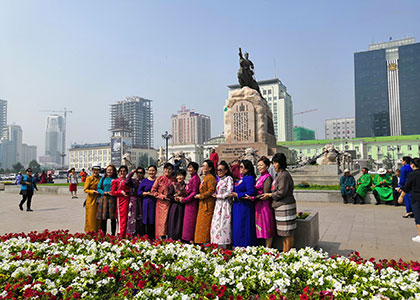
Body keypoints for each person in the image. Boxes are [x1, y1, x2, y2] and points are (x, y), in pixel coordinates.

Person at [261, 153, 296, 253]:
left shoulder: (284, 175)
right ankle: (286, 253)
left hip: (285, 206)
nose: (274, 165)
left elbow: (281, 192)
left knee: (288, 232)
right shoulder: (279, 175)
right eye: (273, 163)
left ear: (280, 163)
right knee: (284, 233)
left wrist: (270, 195)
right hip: (280, 207)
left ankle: (288, 254)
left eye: (275, 163)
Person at [231, 159, 257, 247]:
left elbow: (251, 192)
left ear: (247, 168)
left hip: (244, 206)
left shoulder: (249, 178)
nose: (240, 169)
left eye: (242, 167)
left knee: (244, 227)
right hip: (237, 206)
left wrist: (237, 194)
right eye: (239, 167)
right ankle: (237, 246)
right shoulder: (242, 178)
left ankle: (246, 247)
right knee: (237, 227)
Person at [252, 156, 275, 248]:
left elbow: (265, 194)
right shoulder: (260, 177)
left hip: (265, 206)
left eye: (261, 165)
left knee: (266, 225)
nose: (259, 167)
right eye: (258, 165)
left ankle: (268, 248)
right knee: (260, 226)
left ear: (267, 166)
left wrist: (253, 198)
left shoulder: (267, 177)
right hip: (258, 205)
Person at [210, 161, 234, 248]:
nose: (219, 171)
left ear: (226, 170)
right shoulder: (220, 180)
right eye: (218, 170)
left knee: (225, 225)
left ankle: (227, 246)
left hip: (225, 204)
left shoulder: (228, 179)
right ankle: (217, 246)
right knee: (216, 225)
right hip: (218, 204)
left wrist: (218, 196)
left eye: (221, 170)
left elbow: (229, 192)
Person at [194, 160, 217, 244]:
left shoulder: (211, 178)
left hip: (207, 204)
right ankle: (200, 242)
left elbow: (211, 190)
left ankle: (205, 243)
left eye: (204, 166)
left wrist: (201, 196)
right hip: (203, 204)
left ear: (210, 168)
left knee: (205, 225)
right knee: (201, 224)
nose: (203, 167)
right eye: (202, 165)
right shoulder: (205, 177)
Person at [398, 158, 420, 243]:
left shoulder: (412, 174)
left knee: (418, 217)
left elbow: (407, 187)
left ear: (413, 165)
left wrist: (401, 196)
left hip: (416, 198)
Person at [151, 163, 175, 239]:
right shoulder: (159, 179)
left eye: (170, 169)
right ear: (164, 170)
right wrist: (162, 196)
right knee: (162, 223)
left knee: (170, 222)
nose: (168, 170)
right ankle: (162, 240)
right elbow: (153, 191)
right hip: (161, 204)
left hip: (172, 204)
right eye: (166, 169)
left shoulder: (174, 179)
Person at [179, 162, 200, 243]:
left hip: (191, 204)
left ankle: (189, 240)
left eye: (191, 167)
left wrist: (184, 199)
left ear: (195, 169)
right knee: (187, 223)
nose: (189, 169)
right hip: (188, 203)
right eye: (188, 167)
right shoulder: (192, 178)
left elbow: (194, 192)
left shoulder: (195, 179)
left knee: (189, 223)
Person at [97, 164, 118, 235]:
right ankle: (104, 234)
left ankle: (113, 234)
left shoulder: (116, 179)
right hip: (104, 199)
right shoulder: (103, 179)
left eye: (111, 170)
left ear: (114, 171)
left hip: (113, 199)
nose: (109, 171)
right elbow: (98, 188)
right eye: (108, 169)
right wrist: (103, 192)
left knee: (113, 219)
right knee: (104, 219)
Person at [138, 165, 158, 239]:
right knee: (146, 219)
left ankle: (153, 237)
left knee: (153, 220)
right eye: (150, 170)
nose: (151, 172)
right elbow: (139, 192)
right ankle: (145, 237)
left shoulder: (158, 180)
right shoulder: (144, 181)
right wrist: (146, 193)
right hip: (146, 202)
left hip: (155, 202)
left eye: (153, 170)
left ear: (156, 172)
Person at [111, 165, 130, 238]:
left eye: (124, 171)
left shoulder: (129, 180)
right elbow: (112, 192)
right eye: (121, 171)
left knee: (129, 218)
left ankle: (128, 234)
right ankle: (121, 235)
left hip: (129, 200)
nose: (122, 173)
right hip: (121, 201)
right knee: (122, 219)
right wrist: (120, 192)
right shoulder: (116, 181)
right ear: (118, 172)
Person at [167, 169, 187, 240]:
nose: (179, 177)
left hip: (182, 206)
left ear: (184, 177)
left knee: (181, 222)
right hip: (175, 206)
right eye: (178, 175)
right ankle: (172, 238)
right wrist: (175, 198)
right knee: (173, 222)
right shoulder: (174, 185)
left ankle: (180, 238)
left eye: (181, 175)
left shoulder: (186, 186)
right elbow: (169, 195)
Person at [126, 167, 145, 236]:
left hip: (141, 200)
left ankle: (140, 234)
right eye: (138, 173)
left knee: (140, 217)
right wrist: (131, 173)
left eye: (141, 173)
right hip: (133, 200)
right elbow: (126, 182)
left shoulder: (144, 181)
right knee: (132, 217)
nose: (139, 174)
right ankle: (131, 233)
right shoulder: (133, 180)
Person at [83, 164, 102, 232]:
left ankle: (98, 232)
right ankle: (90, 232)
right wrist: (92, 191)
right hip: (91, 200)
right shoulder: (89, 178)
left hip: (99, 199)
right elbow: (85, 189)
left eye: (97, 170)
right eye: (94, 170)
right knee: (91, 217)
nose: (96, 172)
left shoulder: (101, 179)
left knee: (99, 218)